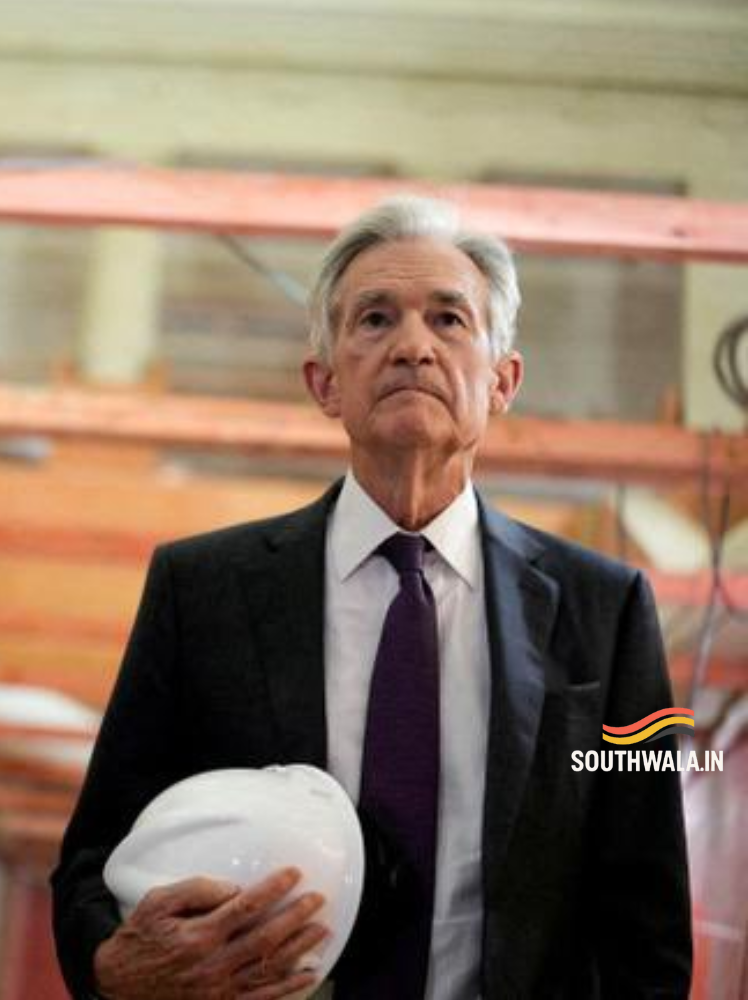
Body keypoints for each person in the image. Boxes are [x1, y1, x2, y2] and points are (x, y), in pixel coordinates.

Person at [52, 197, 691, 999]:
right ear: (325, 383)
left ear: (503, 381)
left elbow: (646, 922)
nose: (413, 347)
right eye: (376, 319)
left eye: (449, 320)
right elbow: (93, 858)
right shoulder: (203, 591)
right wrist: (111, 967)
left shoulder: (605, 613)